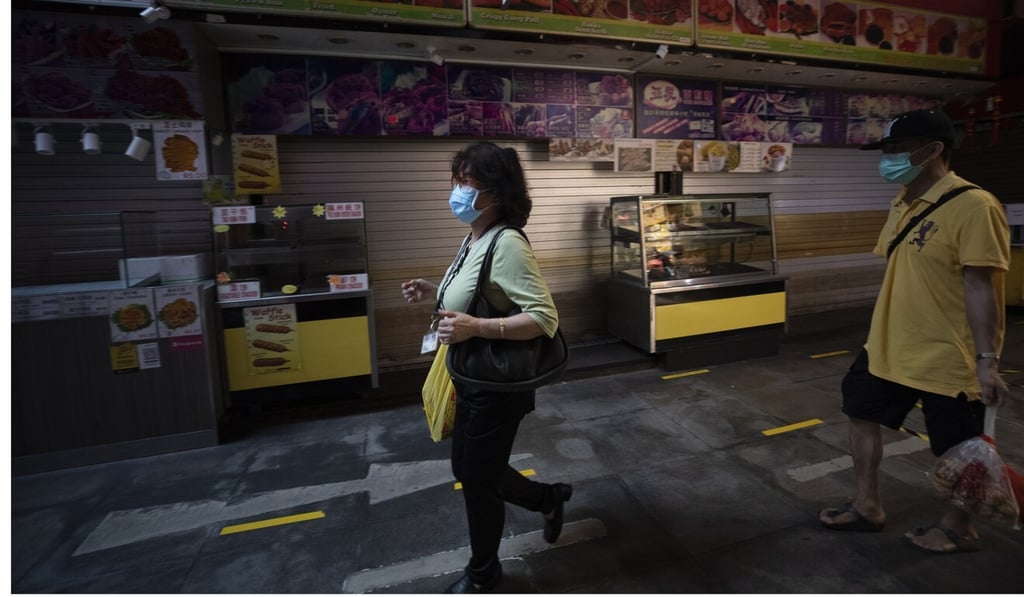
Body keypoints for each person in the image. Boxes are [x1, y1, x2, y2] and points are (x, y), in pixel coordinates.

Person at [818, 109, 1011, 554]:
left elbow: (981, 287)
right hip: (888, 344)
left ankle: (959, 526)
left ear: (933, 150)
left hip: (948, 352)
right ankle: (868, 506)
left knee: (960, 448)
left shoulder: (975, 206)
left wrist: (986, 362)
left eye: (895, 149)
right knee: (861, 414)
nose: (886, 158)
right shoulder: (903, 200)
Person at [401, 142, 573, 593]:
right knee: (474, 469)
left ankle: (484, 573)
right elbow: (475, 291)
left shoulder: (507, 241)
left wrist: (477, 326)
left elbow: (543, 317)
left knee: (476, 479)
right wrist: (433, 290)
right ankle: (548, 498)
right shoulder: (474, 235)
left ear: (495, 192)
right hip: (470, 376)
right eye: (455, 181)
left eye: (467, 183)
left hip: (497, 384)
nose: (456, 191)